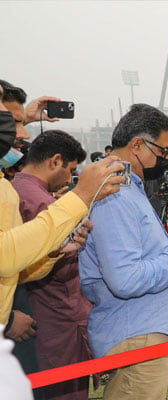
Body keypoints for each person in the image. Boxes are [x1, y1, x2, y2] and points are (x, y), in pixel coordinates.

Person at [79, 104, 168, 400]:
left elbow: (141, 252)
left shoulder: (129, 186)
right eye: (162, 151)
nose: (166, 158)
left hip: (142, 331)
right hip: (136, 334)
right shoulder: (114, 193)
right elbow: (126, 279)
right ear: (138, 145)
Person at [1, 79, 124, 326]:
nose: (23, 134)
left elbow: (16, 267)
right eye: (12, 122)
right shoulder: (33, 196)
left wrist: (52, 252)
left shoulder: (8, 185)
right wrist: (81, 195)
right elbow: (5, 257)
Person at [11, 130, 92, 400]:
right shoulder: (41, 202)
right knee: (64, 390)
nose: (70, 179)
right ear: (55, 161)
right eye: (70, 170)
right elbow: (59, 264)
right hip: (55, 317)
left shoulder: (17, 187)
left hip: (40, 312)